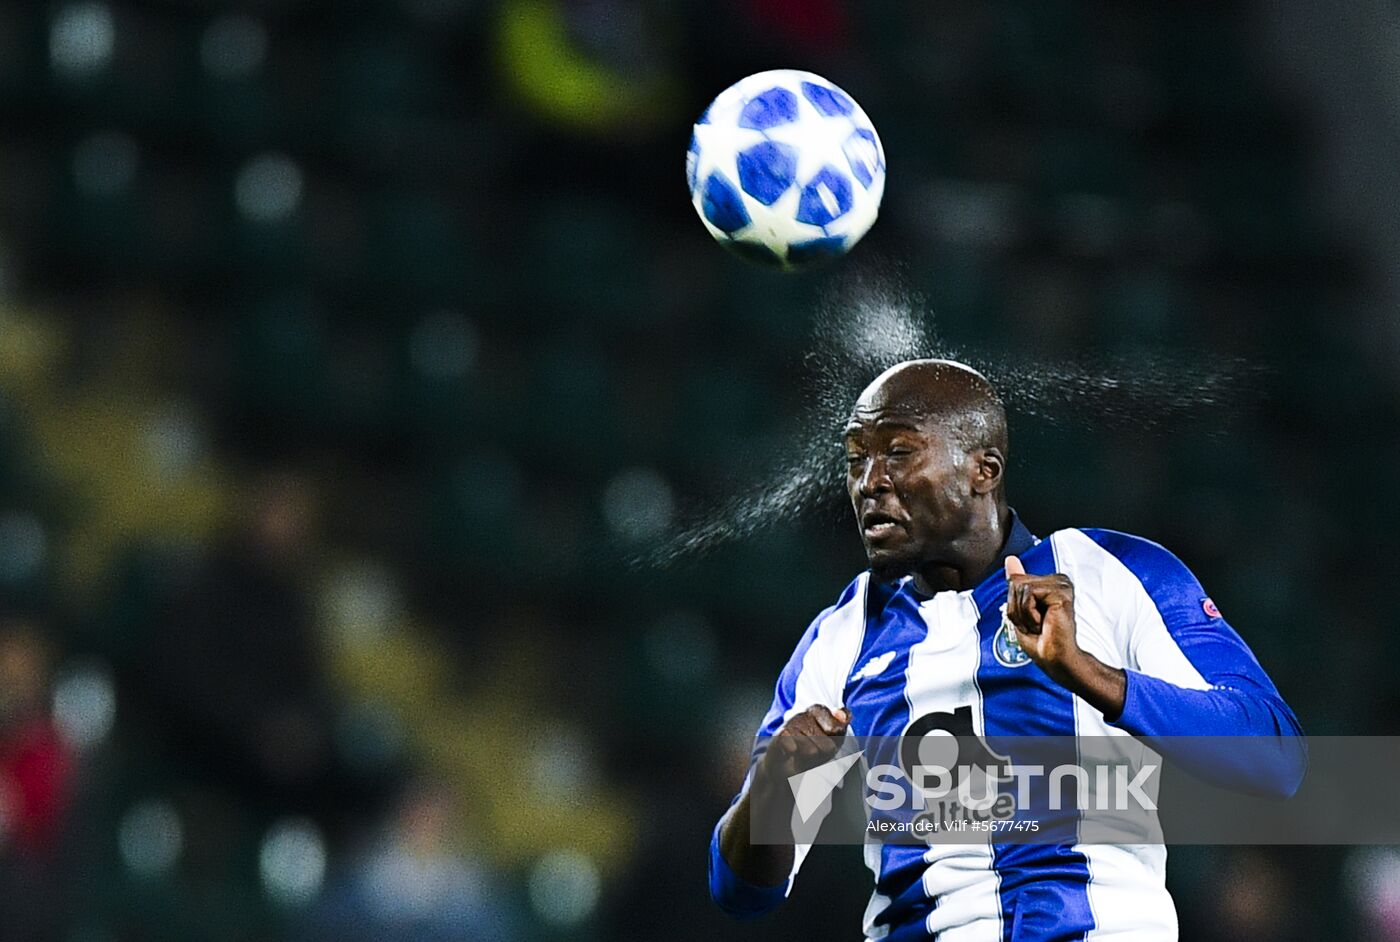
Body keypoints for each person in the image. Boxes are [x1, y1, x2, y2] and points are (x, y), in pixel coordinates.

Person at [708, 359, 1305, 940]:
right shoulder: (839, 638)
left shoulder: (1109, 575)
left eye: (897, 452)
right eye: (856, 457)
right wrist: (774, 789)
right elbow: (741, 892)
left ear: (983, 470)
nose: (869, 482)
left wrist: (1085, 673)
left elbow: (1277, 759)